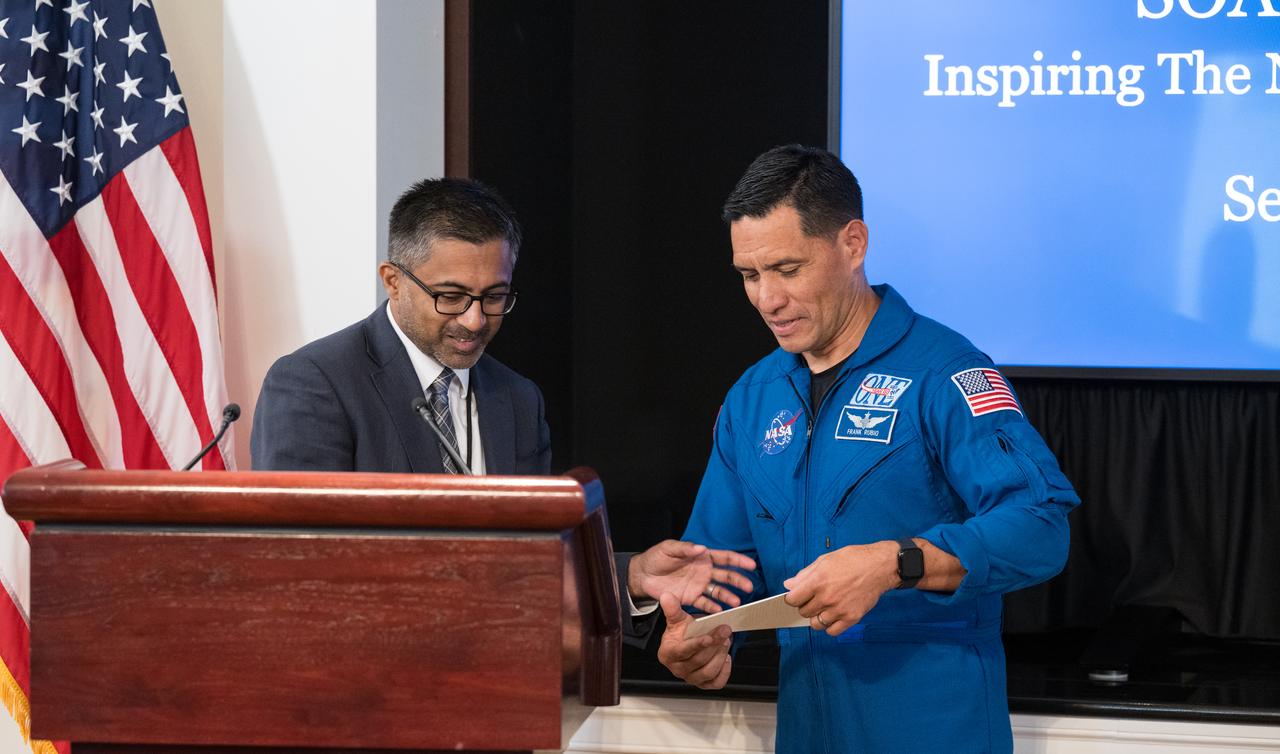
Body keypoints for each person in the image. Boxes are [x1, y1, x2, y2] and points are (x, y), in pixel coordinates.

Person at [655, 146, 1080, 752]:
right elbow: (720, 573)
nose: (766, 299)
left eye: (787, 269)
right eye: (749, 276)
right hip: (807, 728)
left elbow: (1041, 528)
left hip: (936, 727)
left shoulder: (945, 372)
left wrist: (893, 563)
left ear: (853, 244)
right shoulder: (752, 399)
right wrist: (698, 636)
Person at [252, 177, 754, 633]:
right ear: (393, 279)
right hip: (365, 697)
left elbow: (535, 561)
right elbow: (300, 568)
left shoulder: (516, 399)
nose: (474, 321)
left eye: (495, 297)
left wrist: (631, 575)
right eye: (450, 297)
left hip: (501, 694)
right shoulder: (315, 383)